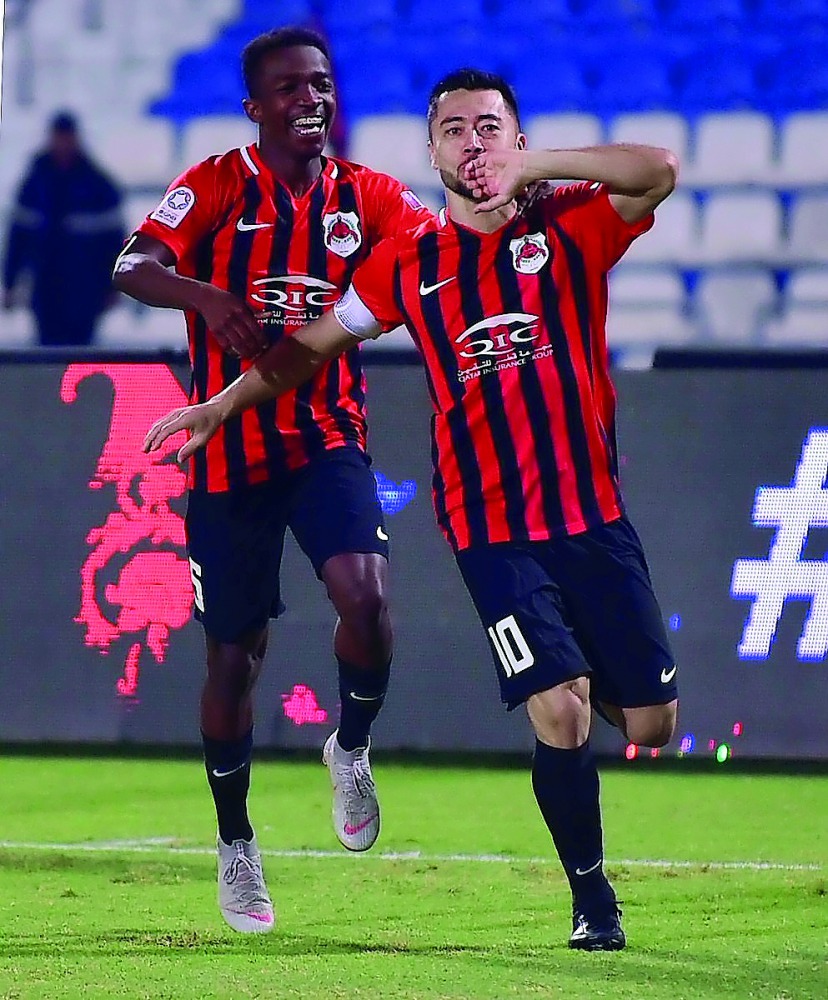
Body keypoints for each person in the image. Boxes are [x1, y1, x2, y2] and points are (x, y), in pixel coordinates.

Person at [143, 67, 681, 951]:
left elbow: (658, 167)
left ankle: (586, 685)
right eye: (455, 130)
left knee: (652, 726)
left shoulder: (572, 224)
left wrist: (531, 168)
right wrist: (220, 404)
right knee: (559, 711)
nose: (473, 142)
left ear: (517, 138)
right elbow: (307, 349)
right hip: (491, 528)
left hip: (593, 517)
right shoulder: (407, 263)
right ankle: (593, 900)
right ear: (429, 152)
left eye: (491, 128)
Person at [112, 28, 429, 934]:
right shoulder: (214, 184)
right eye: (290, 88)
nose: (311, 99)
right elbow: (130, 264)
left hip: (327, 438)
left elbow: (436, 247)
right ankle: (236, 844)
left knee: (364, 599)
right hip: (226, 455)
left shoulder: (364, 195)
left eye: (321, 84)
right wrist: (207, 297)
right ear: (256, 106)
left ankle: (351, 746)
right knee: (231, 656)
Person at [3, 111, 125, 347]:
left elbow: (115, 243)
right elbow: (17, 240)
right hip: (45, 288)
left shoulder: (99, 187)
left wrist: (114, 287)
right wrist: (10, 284)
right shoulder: (33, 186)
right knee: (48, 353)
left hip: (87, 290)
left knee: (82, 351)